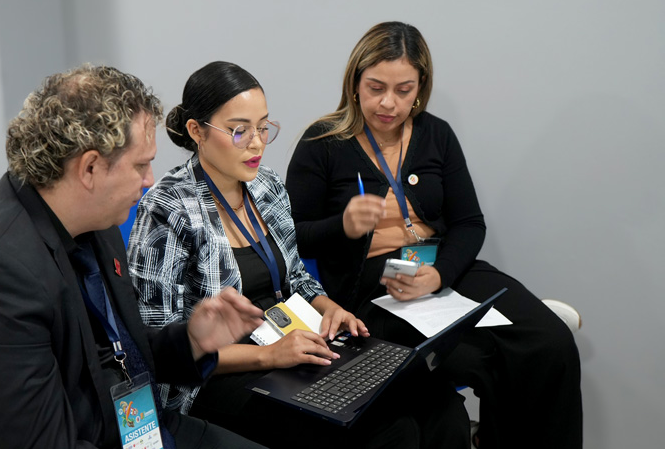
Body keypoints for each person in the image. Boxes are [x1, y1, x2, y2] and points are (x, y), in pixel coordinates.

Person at [0, 65, 267, 449]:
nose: (149, 180)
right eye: (141, 164)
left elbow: (119, 352)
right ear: (90, 167)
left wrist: (193, 340)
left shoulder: (94, 217)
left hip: (126, 428)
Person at [128, 61, 471, 448]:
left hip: (292, 342)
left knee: (440, 407)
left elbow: (296, 279)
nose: (256, 143)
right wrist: (269, 356)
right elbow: (160, 346)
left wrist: (329, 307)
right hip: (217, 378)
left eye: (263, 127)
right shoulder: (167, 208)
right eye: (240, 130)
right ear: (197, 131)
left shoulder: (267, 186)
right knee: (390, 431)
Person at [285, 21, 583, 449]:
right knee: (483, 358)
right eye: (375, 87)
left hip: (442, 270)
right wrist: (344, 226)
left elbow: (469, 223)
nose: (389, 103)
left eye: (404, 90)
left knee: (550, 343)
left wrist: (440, 274)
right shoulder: (323, 142)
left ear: (420, 87)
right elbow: (290, 240)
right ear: (354, 83)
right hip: (373, 289)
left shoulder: (435, 134)